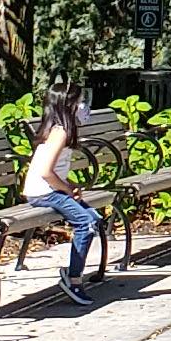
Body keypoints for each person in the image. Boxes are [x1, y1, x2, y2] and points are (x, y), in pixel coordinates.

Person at [19, 83, 106, 304]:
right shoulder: (61, 131)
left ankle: (74, 273)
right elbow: (46, 172)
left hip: (49, 189)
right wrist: (66, 188)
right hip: (43, 192)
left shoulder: (58, 129)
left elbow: (54, 169)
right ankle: (74, 280)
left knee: (94, 218)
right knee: (85, 223)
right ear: (69, 105)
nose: (83, 106)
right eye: (79, 101)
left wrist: (69, 184)